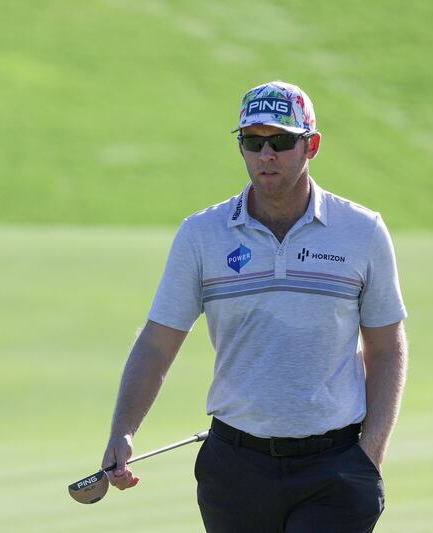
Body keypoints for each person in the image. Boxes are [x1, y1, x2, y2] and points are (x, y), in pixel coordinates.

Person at [101, 80, 408, 533]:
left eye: (281, 141)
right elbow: (158, 342)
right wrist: (123, 430)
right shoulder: (202, 235)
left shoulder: (361, 231)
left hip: (336, 468)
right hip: (235, 469)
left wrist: (371, 454)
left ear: (311, 146)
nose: (266, 155)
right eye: (252, 141)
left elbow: (386, 348)